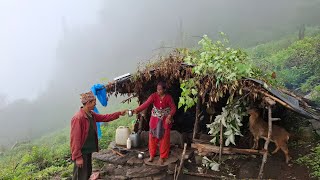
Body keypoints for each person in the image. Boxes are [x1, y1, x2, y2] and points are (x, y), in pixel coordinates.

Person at [70, 91, 127, 180]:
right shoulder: (78, 118)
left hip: (88, 151)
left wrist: (119, 113)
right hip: (82, 153)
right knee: (80, 176)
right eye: (94, 103)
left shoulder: (91, 114)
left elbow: (105, 117)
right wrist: (78, 157)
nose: (95, 105)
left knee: (87, 174)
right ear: (88, 103)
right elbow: (75, 139)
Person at [133, 82, 176, 165]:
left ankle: (162, 157)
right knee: (152, 137)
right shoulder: (153, 96)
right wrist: (137, 110)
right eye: (157, 89)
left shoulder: (168, 98)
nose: (158, 91)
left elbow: (173, 108)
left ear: (164, 89)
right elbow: (146, 104)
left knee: (164, 138)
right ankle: (152, 155)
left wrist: (169, 116)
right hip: (154, 119)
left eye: (160, 90)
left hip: (165, 119)